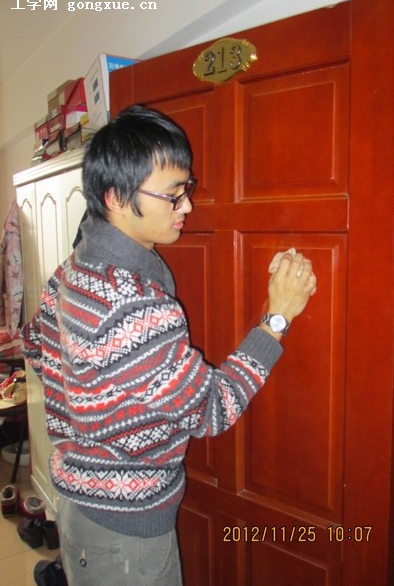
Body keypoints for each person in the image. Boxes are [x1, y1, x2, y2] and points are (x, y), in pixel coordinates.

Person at [21, 105, 317, 586]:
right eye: (172, 195)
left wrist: (92, 417)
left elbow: (37, 344)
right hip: (123, 532)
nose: (187, 207)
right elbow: (213, 408)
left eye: (187, 189)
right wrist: (277, 317)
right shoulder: (132, 305)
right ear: (116, 198)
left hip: (81, 499)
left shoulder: (77, 266)